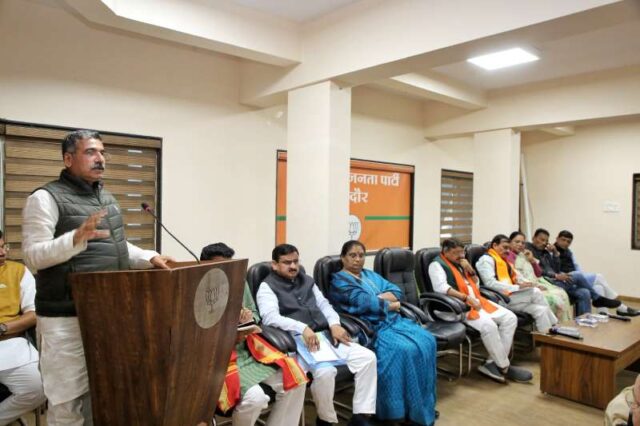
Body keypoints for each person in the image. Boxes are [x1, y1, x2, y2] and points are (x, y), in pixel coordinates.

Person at [22, 130, 174, 426]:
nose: (100, 158)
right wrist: (74, 239)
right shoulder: (44, 198)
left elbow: (115, 245)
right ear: (68, 159)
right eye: (91, 152)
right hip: (65, 318)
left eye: (102, 152)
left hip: (107, 314)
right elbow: (33, 255)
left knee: (103, 394)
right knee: (67, 403)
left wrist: (148, 257)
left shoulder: (106, 198)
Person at [256, 244, 376, 426]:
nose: (293, 266)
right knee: (326, 372)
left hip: (324, 337)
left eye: (296, 261)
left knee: (367, 358)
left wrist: (334, 324)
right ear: (274, 264)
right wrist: (302, 328)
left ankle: (361, 416)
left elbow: (324, 305)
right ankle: (325, 419)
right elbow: (270, 317)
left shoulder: (307, 280)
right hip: (296, 341)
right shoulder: (267, 287)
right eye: (287, 262)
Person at [329, 240, 437, 426]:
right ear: (343, 258)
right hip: (370, 327)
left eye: (361, 255)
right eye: (352, 255)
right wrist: (390, 304)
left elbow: (396, 291)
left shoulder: (369, 274)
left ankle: (418, 406)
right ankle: (394, 412)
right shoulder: (339, 281)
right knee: (403, 350)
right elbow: (362, 302)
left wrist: (379, 300)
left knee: (428, 340)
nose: (357, 259)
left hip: (393, 321)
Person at [200, 243, 306, 426]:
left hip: (247, 349)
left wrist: (249, 318)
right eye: (220, 266)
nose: (226, 270)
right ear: (204, 266)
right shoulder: (199, 290)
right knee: (256, 398)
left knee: (297, 378)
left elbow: (255, 315)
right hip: (219, 357)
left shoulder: (238, 281)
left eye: (229, 265)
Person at [429, 238, 532, 384]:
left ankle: (492, 363)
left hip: (477, 301)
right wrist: (465, 298)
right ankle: (504, 367)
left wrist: (470, 271)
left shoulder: (461, 263)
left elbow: (475, 285)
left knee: (510, 318)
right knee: (489, 325)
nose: (460, 256)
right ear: (445, 252)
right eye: (456, 253)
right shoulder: (436, 265)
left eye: (462, 252)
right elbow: (441, 288)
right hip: (455, 307)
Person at [0, 231, 46, 426]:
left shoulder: (18, 271)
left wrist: (2, 328)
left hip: (9, 343)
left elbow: (33, 314)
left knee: (39, 387)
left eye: (4, 246)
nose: (2, 252)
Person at [525, 228, 619, 315]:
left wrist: (555, 253)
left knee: (585, 292)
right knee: (582, 275)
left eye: (546, 241)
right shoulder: (529, 249)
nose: (544, 243)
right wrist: (556, 276)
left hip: (556, 280)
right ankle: (597, 299)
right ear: (533, 238)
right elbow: (539, 271)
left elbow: (556, 269)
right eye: (541, 240)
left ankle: (584, 322)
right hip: (548, 283)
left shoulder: (546, 253)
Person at [476, 234, 557, 332]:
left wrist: (531, 284)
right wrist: (517, 287)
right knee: (535, 292)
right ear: (495, 245)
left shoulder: (504, 261)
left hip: (512, 297)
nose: (507, 251)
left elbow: (518, 277)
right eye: (505, 247)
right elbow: (490, 284)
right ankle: (555, 326)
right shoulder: (486, 260)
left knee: (541, 310)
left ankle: (546, 338)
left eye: (509, 248)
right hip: (500, 299)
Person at [554, 230, 638, 316]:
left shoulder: (569, 252)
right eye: (563, 240)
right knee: (598, 276)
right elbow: (553, 270)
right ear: (557, 239)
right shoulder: (552, 250)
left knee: (598, 287)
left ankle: (603, 312)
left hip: (575, 278)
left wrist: (581, 279)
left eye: (568, 242)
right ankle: (620, 306)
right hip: (563, 280)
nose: (565, 243)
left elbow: (577, 266)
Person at [507, 231, 572, 322]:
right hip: (523, 288)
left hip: (536, 282)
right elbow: (515, 277)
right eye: (517, 242)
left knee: (562, 293)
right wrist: (534, 285)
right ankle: (555, 323)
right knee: (553, 298)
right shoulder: (508, 256)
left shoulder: (525, 254)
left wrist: (532, 260)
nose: (520, 245)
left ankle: (562, 324)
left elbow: (538, 273)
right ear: (510, 242)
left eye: (522, 243)